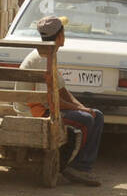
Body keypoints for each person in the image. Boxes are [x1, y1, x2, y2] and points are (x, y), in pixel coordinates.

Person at [13, 16, 102, 186]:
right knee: (87, 120)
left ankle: (83, 166)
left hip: (45, 105)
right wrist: (81, 110)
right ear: (60, 36)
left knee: (96, 115)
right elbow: (50, 101)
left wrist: (81, 106)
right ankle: (77, 168)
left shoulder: (48, 52)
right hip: (35, 111)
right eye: (64, 32)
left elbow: (62, 90)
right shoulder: (42, 59)